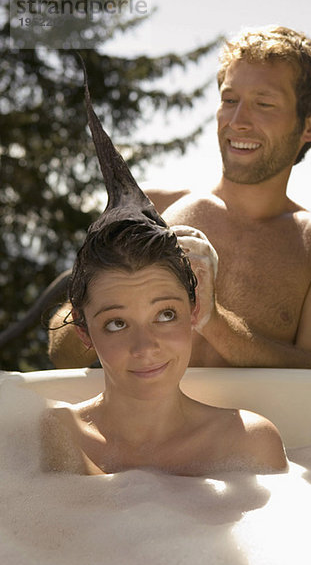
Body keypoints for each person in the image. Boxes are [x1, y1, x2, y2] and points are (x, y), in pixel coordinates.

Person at [49, 25, 311, 371]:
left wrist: (213, 321)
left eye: (264, 103)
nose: (237, 121)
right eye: (229, 100)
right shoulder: (149, 208)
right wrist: (111, 296)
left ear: (310, 125)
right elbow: (60, 355)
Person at [41, 76, 287, 475]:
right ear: (84, 332)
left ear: (194, 312)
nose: (145, 347)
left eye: (166, 314)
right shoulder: (57, 438)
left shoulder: (250, 444)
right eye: (117, 323)